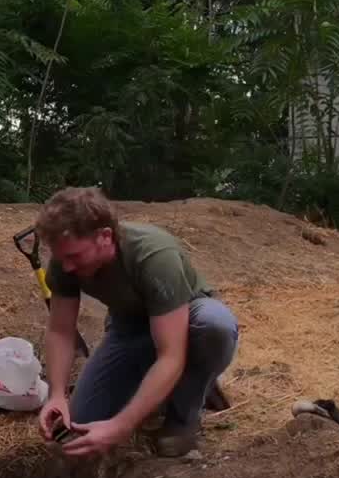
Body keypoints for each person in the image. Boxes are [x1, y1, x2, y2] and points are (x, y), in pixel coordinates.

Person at [35, 187, 239, 457]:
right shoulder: (65, 261)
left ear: (105, 236)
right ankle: (157, 386)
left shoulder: (153, 255)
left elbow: (171, 355)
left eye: (74, 256)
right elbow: (60, 331)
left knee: (216, 325)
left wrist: (122, 426)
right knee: (82, 418)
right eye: (62, 258)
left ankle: (184, 415)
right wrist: (57, 394)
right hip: (129, 327)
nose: (68, 267)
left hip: (183, 322)